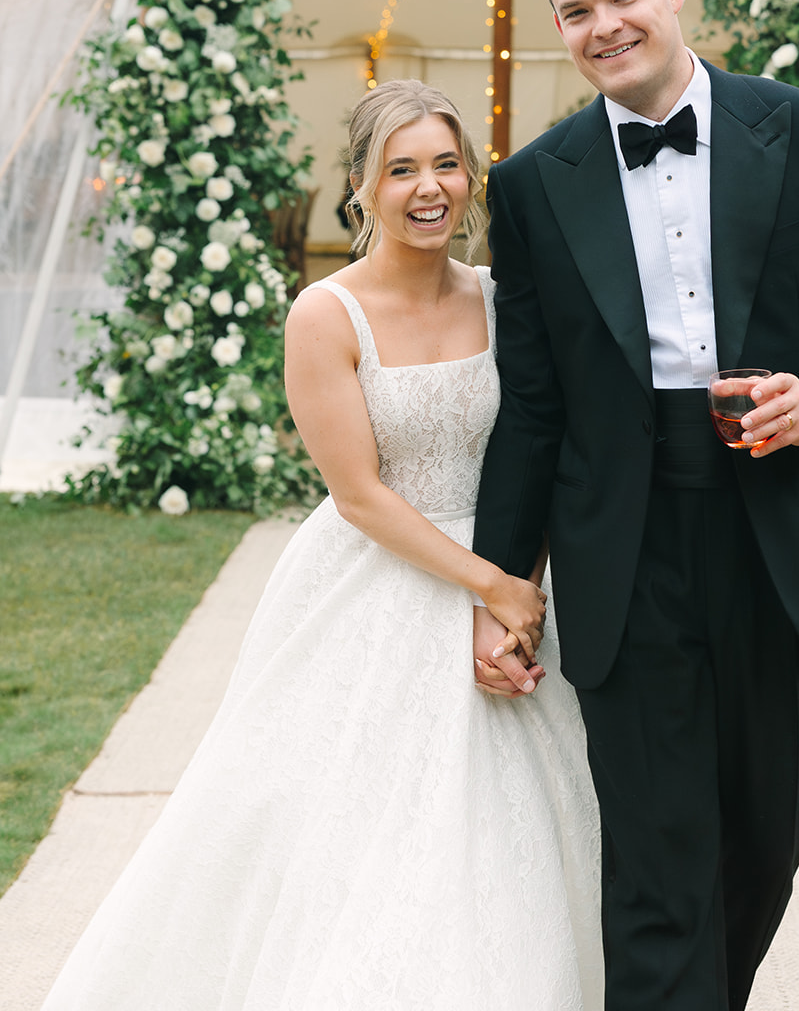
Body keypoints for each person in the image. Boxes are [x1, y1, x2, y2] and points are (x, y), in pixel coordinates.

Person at [42, 79, 602, 1011]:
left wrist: (516, 593)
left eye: (447, 165)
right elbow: (359, 496)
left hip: (510, 567)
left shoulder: (505, 299)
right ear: (360, 186)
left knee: (518, 841)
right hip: (380, 582)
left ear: (472, 177)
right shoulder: (324, 315)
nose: (429, 188)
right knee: (355, 837)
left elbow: (536, 446)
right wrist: (487, 589)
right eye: (402, 169)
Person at [472, 0, 799, 1011]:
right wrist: (500, 586)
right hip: (620, 544)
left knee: (763, 840)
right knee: (656, 860)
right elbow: (531, 406)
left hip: (774, 526)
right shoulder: (532, 183)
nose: (602, 25)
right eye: (573, 12)